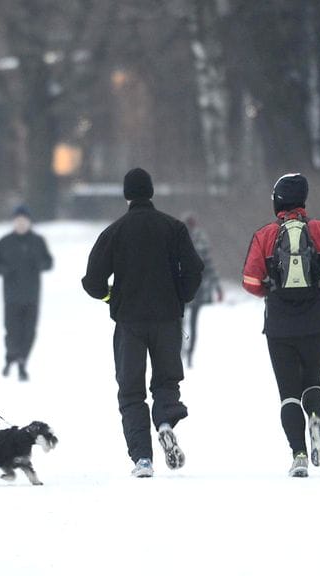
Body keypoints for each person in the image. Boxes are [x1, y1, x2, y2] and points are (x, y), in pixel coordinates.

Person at [82, 168, 204, 478]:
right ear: (151, 192)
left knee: (131, 391)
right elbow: (194, 269)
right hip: (167, 320)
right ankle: (164, 423)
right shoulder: (174, 228)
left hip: (129, 323)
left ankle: (143, 459)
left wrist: (111, 297)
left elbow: (92, 280)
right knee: (166, 382)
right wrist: (180, 297)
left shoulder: (115, 232)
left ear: (126, 195)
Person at [241, 173, 320, 478]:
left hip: (279, 326)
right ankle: (315, 417)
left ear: (277, 202)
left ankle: (299, 455)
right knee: (313, 383)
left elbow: (249, 280)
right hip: (316, 321)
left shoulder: (264, 235)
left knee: (288, 394)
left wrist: (271, 292)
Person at [0, 205, 54, 381]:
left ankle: (22, 361)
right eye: (18, 221)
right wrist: (4, 270)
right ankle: (11, 357)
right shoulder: (5, 242)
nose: (21, 224)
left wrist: (41, 265)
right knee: (12, 331)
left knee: (29, 332)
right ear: (13, 222)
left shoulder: (38, 241)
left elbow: (49, 262)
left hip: (32, 295)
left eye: (24, 221)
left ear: (29, 222)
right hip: (11, 296)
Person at [181, 212, 223, 368]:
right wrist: (217, 287)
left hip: (183, 289)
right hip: (198, 288)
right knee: (192, 324)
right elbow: (209, 266)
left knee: (181, 323)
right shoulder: (201, 240)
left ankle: (183, 352)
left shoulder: (178, 239)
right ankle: (188, 354)